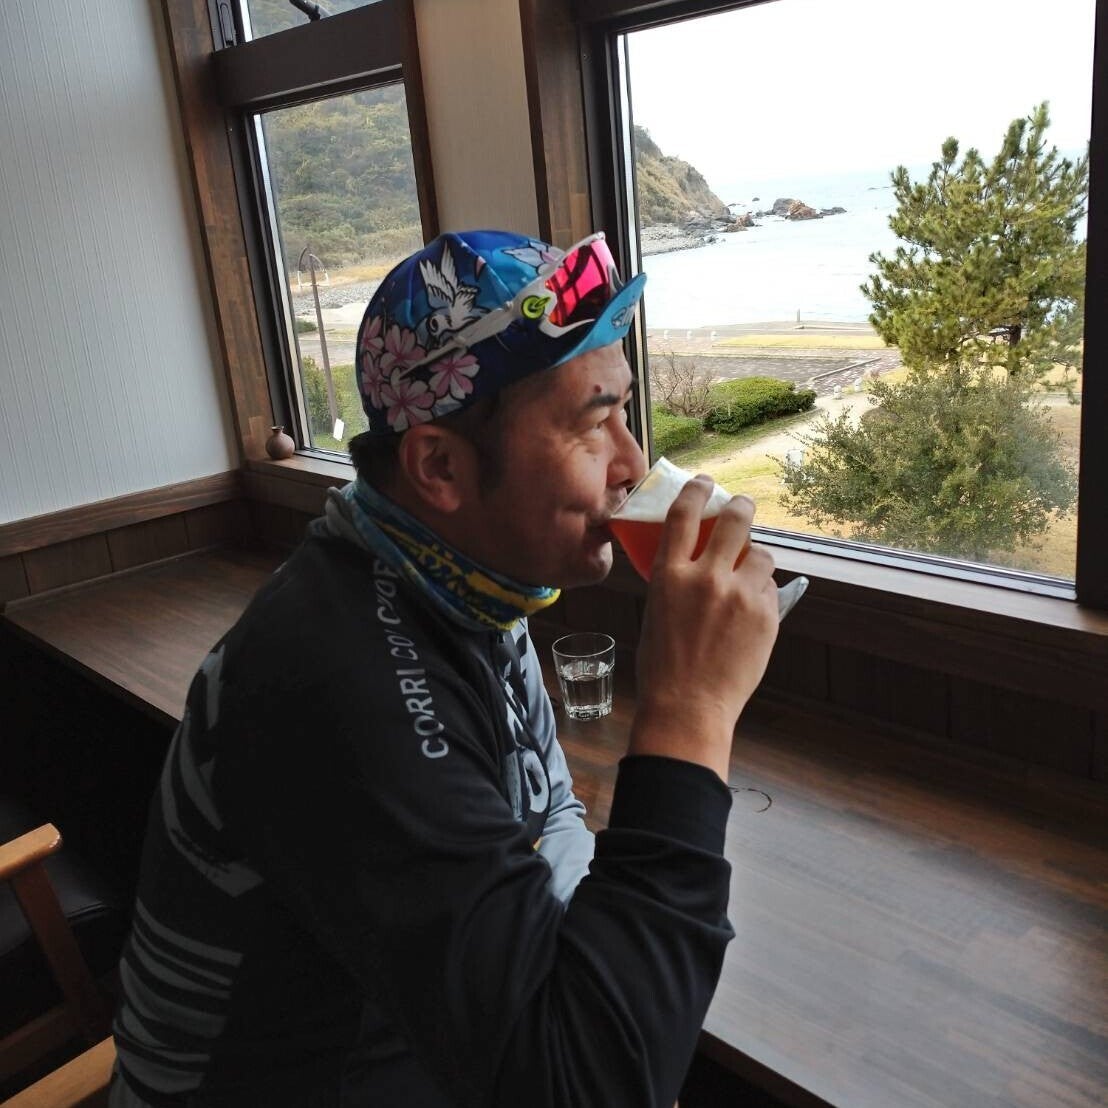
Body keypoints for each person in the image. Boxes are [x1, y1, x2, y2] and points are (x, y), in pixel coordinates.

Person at [109, 229, 780, 1107]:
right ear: (439, 466)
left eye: (625, 411)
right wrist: (690, 712)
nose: (631, 463)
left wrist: (610, 980)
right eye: (593, 423)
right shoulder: (336, 677)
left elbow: (549, 813)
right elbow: (588, 1091)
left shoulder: (459, 584)